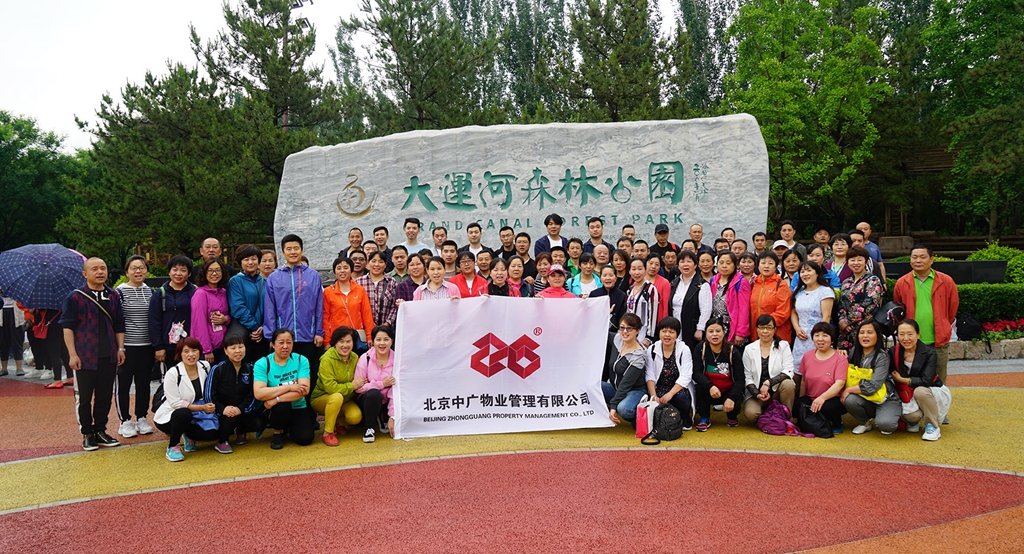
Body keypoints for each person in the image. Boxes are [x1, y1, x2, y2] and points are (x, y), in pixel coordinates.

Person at [60, 257, 125, 451]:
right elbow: (67, 327)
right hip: (84, 355)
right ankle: (87, 433)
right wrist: (72, 354)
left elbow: (119, 324)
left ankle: (100, 430)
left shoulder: (113, 295)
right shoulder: (75, 297)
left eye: (103, 268)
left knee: (104, 395)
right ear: (85, 274)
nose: (100, 272)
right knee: (84, 397)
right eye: (94, 269)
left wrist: (120, 348)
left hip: (109, 354)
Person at [263, 234, 324, 399]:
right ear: (282, 252)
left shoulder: (313, 276)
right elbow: (270, 308)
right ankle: (287, 407)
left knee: (307, 373)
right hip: (283, 336)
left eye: (296, 248)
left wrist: (318, 332)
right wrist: (271, 336)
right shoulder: (274, 278)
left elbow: (319, 306)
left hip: (307, 335)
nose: (293, 252)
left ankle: (306, 409)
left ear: (302, 250)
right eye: (288, 249)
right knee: (285, 374)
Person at [893, 244, 959, 385]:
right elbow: (898, 309)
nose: (918, 260)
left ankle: (939, 399)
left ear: (931, 259)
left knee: (938, 378)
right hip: (911, 341)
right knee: (912, 377)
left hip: (937, 339)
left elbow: (952, 308)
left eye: (923, 257)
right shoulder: (902, 283)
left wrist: (943, 324)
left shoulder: (946, 281)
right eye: (914, 257)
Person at [153, 337, 217, 461]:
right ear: (179, 354)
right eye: (186, 351)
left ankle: (188, 435)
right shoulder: (173, 373)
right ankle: (173, 447)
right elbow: (175, 404)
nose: (191, 355)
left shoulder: (205, 366)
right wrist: (202, 408)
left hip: (197, 412)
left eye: (194, 350)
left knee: (210, 434)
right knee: (183, 413)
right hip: (172, 415)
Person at [115, 255, 155, 438]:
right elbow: (116, 321)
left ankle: (141, 417)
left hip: (147, 345)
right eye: (134, 268)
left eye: (141, 268)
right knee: (123, 385)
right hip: (127, 346)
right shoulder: (119, 293)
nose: (138, 271)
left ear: (147, 271)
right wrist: (120, 348)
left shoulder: (151, 292)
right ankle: (124, 421)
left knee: (144, 384)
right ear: (127, 272)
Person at [253, 328, 314, 449]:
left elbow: (304, 390)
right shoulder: (263, 363)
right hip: (273, 408)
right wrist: (290, 387)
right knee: (282, 407)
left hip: (296, 405)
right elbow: (259, 393)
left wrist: (276, 399)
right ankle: (278, 431)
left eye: (289, 342)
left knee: (305, 439)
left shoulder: (301, 360)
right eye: (281, 342)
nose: (285, 346)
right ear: (273, 344)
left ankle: (289, 426)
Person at [892, 319, 951, 441]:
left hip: (931, 390)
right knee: (911, 416)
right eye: (901, 334)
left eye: (910, 334)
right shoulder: (894, 351)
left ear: (918, 334)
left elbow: (926, 381)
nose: (906, 338)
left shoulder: (929, 353)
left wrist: (902, 380)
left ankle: (932, 426)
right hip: (908, 393)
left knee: (920, 391)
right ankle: (915, 420)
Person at [206, 334, 266, 448]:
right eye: (233, 348)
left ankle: (241, 431)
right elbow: (209, 395)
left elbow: (252, 394)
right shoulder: (217, 369)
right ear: (225, 351)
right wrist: (223, 409)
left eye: (240, 347)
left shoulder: (250, 368)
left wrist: (240, 409)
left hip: (242, 410)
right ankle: (222, 441)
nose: (237, 351)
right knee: (229, 419)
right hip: (223, 411)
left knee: (259, 423)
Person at [842, 320, 899, 435]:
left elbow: (873, 386)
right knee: (850, 400)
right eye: (862, 332)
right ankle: (865, 423)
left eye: (870, 332)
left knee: (886, 425)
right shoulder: (855, 352)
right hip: (865, 397)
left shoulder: (882, 357)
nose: (865, 336)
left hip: (884, 398)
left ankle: (891, 413)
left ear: (878, 335)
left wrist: (848, 390)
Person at [312, 327, 362, 446]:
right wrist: (351, 386)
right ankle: (328, 433)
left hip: (345, 399)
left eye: (348, 341)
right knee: (336, 397)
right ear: (335, 342)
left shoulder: (355, 357)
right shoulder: (327, 359)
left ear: (353, 342)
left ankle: (337, 422)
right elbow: (330, 388)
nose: (345, 345)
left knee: (355, 417)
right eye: (341, 341)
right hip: (323, 398)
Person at [692, 318, 745, 430]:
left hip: (728, 391)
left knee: (736, 399)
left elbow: (740, 379)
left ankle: (732, 416)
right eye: (711, 331)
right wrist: (710, 386)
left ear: (723, 332)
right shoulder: (700, 349)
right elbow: (696, 373)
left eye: (718, 331)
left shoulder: (733, 351)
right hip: (710, 390)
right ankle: (705, 417)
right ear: (706, 333)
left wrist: (731, 397)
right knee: (700, 388)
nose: (714, 334)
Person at [796, 322, 848, 435]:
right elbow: (803, 381)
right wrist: (801, 401)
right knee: (797, 406)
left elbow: (839, 384)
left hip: (832, 399)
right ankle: (819, 420)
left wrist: (822, 398)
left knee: (826, 407)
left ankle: (837, 422)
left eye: (825, 335)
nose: (820, 339)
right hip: (811, 397)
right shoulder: (808, 356)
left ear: (832, 339)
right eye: (817, 335)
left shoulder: (840, 358)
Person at [644, 317, 695, 429]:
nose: (667, 335)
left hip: (677, 389)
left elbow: (686, 375)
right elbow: (649, 374)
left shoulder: (684, 349)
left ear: (677, 334)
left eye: (671, 332)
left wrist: (670, 394)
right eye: (664, 331)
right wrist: (653, 396)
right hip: (659, 388)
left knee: (682, 398)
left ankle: (684, 417)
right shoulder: (652, 349)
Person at [742, 314, 796, 421]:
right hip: (758, 393)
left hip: (777, 391)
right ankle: (770, 415)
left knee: (788, 384)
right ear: (757, 329)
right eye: (762, 328)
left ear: (774, 330)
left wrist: (768, 383)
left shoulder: (783, 346)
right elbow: (747, 376)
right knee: (751, 414)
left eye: (769, 328)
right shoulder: (749, 349)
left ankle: (787, 417)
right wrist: (757, 394)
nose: (765, 331)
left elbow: (789, 371)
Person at [149, 255, 197, 370]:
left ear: (189, 274)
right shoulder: (160, 294)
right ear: (169, 272)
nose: (178, 273)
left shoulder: (195, 292)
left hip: (191, 344)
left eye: (183, 270)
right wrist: (158, 347)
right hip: (169, 346)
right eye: (175, 270)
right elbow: (154, 321)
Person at [790, 261, 835, 380]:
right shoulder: (798, 290)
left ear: (817, 273)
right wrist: (797, 328)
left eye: (809, 270)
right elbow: (794, 312)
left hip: (818, 337)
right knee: (797, 372)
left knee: (815, 372)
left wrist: (819, 337)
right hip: (800, 337)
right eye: (802, 271)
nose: (805, 274)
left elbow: (826, 317)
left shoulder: (825, 291)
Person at [603, 313, 648, 426]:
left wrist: (613, 406)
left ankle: (640, 416)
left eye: (629, 328)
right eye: (622, 328)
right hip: (615, 388)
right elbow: (599, 330)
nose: (625, 331)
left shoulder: (639, 355)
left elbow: (626, 384)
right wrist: (603, 313)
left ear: (637, 331)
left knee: (623, 409)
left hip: (634, 390)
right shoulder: (617, 339)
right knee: (592, 386)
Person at [355, 325, 397, 442]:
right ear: (373, 341)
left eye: (386, 339)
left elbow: (396, 390)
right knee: (374, 393)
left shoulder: (397, 360)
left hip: (388, 401)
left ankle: (385, 417)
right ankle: (370, 428)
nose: (382, 343)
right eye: (378, 339)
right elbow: (358, 388)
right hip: (368, 400)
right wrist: (382, 384)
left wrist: (393, 416)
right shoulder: (365, 358)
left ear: (392, 341)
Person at [837, 246, 884, 351]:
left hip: (865, 328)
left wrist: (848, 321)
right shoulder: (846, 282)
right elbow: (841, 304)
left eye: (859, 260)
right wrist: (841, 321)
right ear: (847, 262)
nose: (856, 263)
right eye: (852, 260)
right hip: (846, 330)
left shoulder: (873, 280)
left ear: (866, 262)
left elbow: (870, 303)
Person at [323, 258, 374, 353]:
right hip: (336, 338)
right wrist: (326, 341)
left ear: (351, 270)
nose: (342, 271)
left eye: (346, 268)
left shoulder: (360, 290)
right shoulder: (328, 292)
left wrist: (369, 336)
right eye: (339, 268)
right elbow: (325, 317)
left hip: (356, 337)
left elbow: (367, 315)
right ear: (335, 272)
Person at [228, 244, 267, 365]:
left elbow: (271, 307)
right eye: (246, 259)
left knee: (262, 366)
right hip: (244, 332)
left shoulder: (265, 281)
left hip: (263, 333)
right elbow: (238, 308)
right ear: (240, 262)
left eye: (254, 259)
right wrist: (255, 327)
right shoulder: (235, 281)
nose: (250, 262)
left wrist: (264, 327)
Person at [191, 259, 232, 366]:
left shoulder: (223, 292)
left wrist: (225, 319)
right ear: (204, 273)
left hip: (223, 346)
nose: (214, 274)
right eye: (210, 270)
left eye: (218, 270)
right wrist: (206, 349)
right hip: (208, 349)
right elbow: (199, 324)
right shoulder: (200, 294)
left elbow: (229, 315)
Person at [668, 250, 711, 349]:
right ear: (678, 266)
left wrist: (700, 328)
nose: (685, 264)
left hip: (692, 328)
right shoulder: (674, 283)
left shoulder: (702, 285)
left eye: (689, 261)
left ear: (695, 265)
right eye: (682, 262)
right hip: (675, 328)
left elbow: (706, 309)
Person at [707, 252, 751, 346]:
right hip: (716, 326)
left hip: (732, 327)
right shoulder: (713, 280)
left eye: (728, 263)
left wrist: (740, 332)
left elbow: (744, 309)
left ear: (735, 265)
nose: (724, 266)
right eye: (721, 262)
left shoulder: (741, 282)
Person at [749, 252, 793, 342]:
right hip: (756, 333)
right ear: (758, 266)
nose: (766, 266)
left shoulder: (781, 284)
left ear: (776, 266)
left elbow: (783, 312)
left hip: (777, 333)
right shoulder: (753, 284)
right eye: (763, 263)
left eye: (770, 263)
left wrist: (765, 326)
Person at [355, 251, 399, 327]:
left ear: (385, 265)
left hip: (387, 329)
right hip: (364, 328)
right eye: (373, 261)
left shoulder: (392, 282)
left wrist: (387, 323)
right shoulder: (359, 282)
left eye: (380, 262)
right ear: (368, 264)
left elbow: (394, 305)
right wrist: (369, 323)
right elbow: (356, 306)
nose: (376, 264)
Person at [625, 258, 659, 346]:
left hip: (643, 333)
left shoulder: (650, 289)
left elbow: (653, 314)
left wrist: (649, 337)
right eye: (633, 269)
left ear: (645, 270)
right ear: (629, 271)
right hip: (630, 332)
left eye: (640, 269)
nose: (637, 273)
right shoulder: (630, 290)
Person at [591, 265, 627, 330]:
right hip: (597, 329)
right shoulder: (594, 294)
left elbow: (622, 317)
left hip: (615, 331)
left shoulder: (621, 295)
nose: (608, 278)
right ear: (600, 278)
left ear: (616, 278)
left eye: (611, 275)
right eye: (604, 275)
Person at [0, 292, 27, 376]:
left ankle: (19, 367)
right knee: (2, 341)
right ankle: (4, 368)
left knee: (17, 340)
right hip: (1, 310)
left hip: (16, 311)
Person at [643, 254, 671, 321]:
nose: (653, 266)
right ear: (645, 264)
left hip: (658, 320)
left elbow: (666, 305)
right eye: (651, 263)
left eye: (657, 264)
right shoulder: (638, 281)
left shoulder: (665, 283)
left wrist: (664, 322)